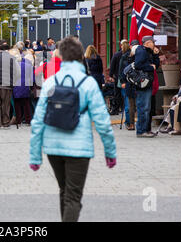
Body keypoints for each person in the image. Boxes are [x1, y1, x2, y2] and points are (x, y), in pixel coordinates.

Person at [29, 36, 117, 222]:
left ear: (61, 57)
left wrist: (35, 156)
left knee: (64, 190)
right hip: (79, 149)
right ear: (80, 57)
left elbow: (37, 122)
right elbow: (102, 121)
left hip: (53, 148)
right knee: (73, 196)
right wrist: (110, 152)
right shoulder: (88, 83)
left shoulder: (50, 83)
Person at [134, 36, 160, 138]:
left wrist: (156, 55)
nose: (154, 44)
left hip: (148, 82)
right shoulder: (141, 51)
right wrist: (150, 67)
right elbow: (137, 65)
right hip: (143, 83)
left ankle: (146, 129)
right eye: (152, 42)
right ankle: (141, 130)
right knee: (143, 108)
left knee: (147, 108)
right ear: (147, 43)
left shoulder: (148, 52)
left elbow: (156, 65)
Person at [161, 66, 181, 134]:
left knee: (173, 109)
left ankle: (174, 127)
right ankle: (170, 126)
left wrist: (178, 96)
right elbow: (179, 92)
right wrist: (176, 96)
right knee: (171, 106)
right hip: (180, 99)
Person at [118, 41, 139, 130]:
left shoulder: (139, 56)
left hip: (138, 83)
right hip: (129, 83)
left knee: (137, 104)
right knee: (130, 104)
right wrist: (123, 81)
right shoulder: (125, 56)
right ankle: (131, 123)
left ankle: (136, 123)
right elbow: (121, 70)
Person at [13, 52, 34, 127]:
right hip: (25, 86)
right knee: (26, 105)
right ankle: (28, 120)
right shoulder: (28, 66)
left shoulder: (13, 67)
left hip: (16, 87)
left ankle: (18, 120)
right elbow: (32, 79)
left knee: (17, 104)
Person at [108, 43, 124, 115]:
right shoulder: (129, 54)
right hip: (127, 77)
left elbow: (112, 65)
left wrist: (111, 75)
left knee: (117, 93)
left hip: (117, 77)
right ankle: (123, 108)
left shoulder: (117, 54)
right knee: (125, 93)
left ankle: (116, 109)